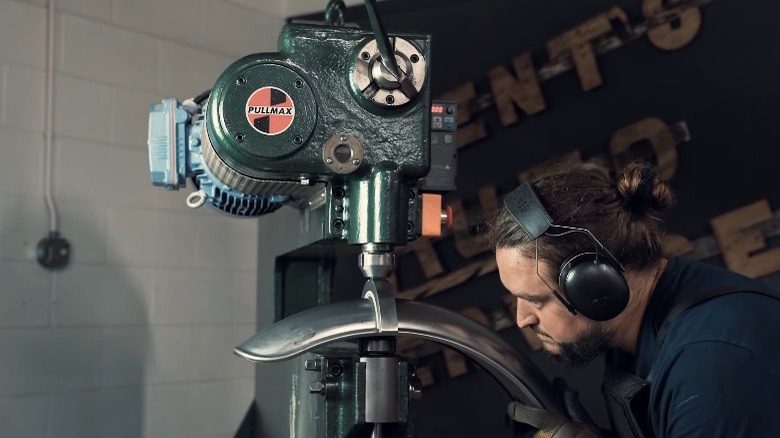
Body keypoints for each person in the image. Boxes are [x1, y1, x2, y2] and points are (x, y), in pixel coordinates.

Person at [486, 160, 780, 437]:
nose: (522, 319)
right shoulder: (643, 327)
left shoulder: (711, 375)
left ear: (594, 285)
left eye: (535, 300)